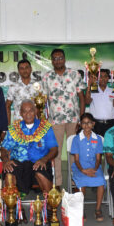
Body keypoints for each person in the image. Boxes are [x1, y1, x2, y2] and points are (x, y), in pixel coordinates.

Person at [42, 49, 86, 186]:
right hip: (55, 121)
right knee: (56, 152)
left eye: (60, 58)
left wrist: (82, 118)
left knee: (74, 151)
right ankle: (58, 181)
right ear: (51, 61)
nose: (58, 61)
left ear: (65, 59)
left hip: (74, 120)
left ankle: (74, 180)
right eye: (55, 58)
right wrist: (44, 119)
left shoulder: (75, 74)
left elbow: (81, 97)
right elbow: (42, 100)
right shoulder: (47, 77)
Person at [1, 100, 58, 197]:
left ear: (35, 111)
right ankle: (14, 208)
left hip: (39, 162)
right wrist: (6, 160)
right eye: (24, 111)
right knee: (9, 174)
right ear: (20, 113)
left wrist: (44, 159)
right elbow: (3, 149)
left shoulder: (45, 127)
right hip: (19, 163)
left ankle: (50, 206)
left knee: (40, 172)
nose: (28, 114)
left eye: (30, 111)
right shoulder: (14, 128)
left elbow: (54, 149)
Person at [70, 113, 105, 221]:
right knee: (82, 181)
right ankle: (81, 209)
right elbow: (76, 160)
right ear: (80, 124)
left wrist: (94, 170)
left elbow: (98, 159)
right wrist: (83, 171)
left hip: (94, 167)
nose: (86, 125)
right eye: (84, 123)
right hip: (79, 167)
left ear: (93, 124)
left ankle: (98, 209)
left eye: (89, 123)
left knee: (100, 181)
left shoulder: (98, 138)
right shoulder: (76, 139)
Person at [85, 69, 114, 137]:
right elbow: (87, 101)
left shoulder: (113, 90)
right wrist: (89, 85)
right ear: (97, 78)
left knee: (110, 146)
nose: (103, 79)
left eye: (105, 76)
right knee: (96, 146)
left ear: (108, 78)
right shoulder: (93, 90)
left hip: (110, 124)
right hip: (96, 124)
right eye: (101, 76)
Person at [6, 59, 38, 124]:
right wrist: (8, 125)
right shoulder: (13, 87)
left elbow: (42, 106)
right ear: (19, 71)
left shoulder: (38, 85)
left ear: (31, 69)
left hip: (35, 123)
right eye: (22, 68)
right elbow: (7, 106)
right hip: (19, 124)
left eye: (26, 67)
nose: (24, 70)